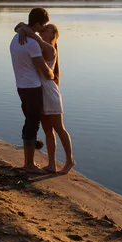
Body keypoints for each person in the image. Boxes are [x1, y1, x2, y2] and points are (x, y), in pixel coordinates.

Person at [15, 22, 75, 174]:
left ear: (52, 35)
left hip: (49, 92)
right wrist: (20, 29)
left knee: (59, 128)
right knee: (48, 131)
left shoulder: (49, 49)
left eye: (44, 31)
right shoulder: (38, 45)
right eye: (41, 31)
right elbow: (21, 29)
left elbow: (33, 36)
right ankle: (52, 164)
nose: (41, 33)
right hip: (38, 91)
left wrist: (24, 30)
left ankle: (69, 161)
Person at [9, 7, 54, 174]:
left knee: (29, 121)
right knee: (32, 124)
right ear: (37, 23)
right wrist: (52, 71)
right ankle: (29, 164)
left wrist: (21, 29)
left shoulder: (15, 38)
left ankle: (28, 161)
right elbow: (44, 71)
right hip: (32, 87)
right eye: (43, 25)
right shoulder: (33, 43)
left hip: (21, 86)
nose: (43, 28)